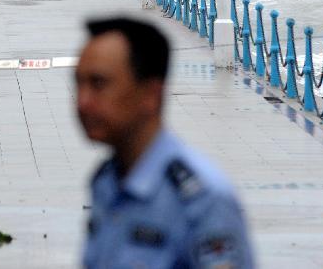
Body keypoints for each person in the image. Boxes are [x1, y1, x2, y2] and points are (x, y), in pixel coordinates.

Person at [76, 17, 254, 268]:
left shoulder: (202, 202)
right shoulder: (106, 183)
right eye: (78, 83)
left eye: (99, 84)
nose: (82, 102)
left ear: (151, 94)